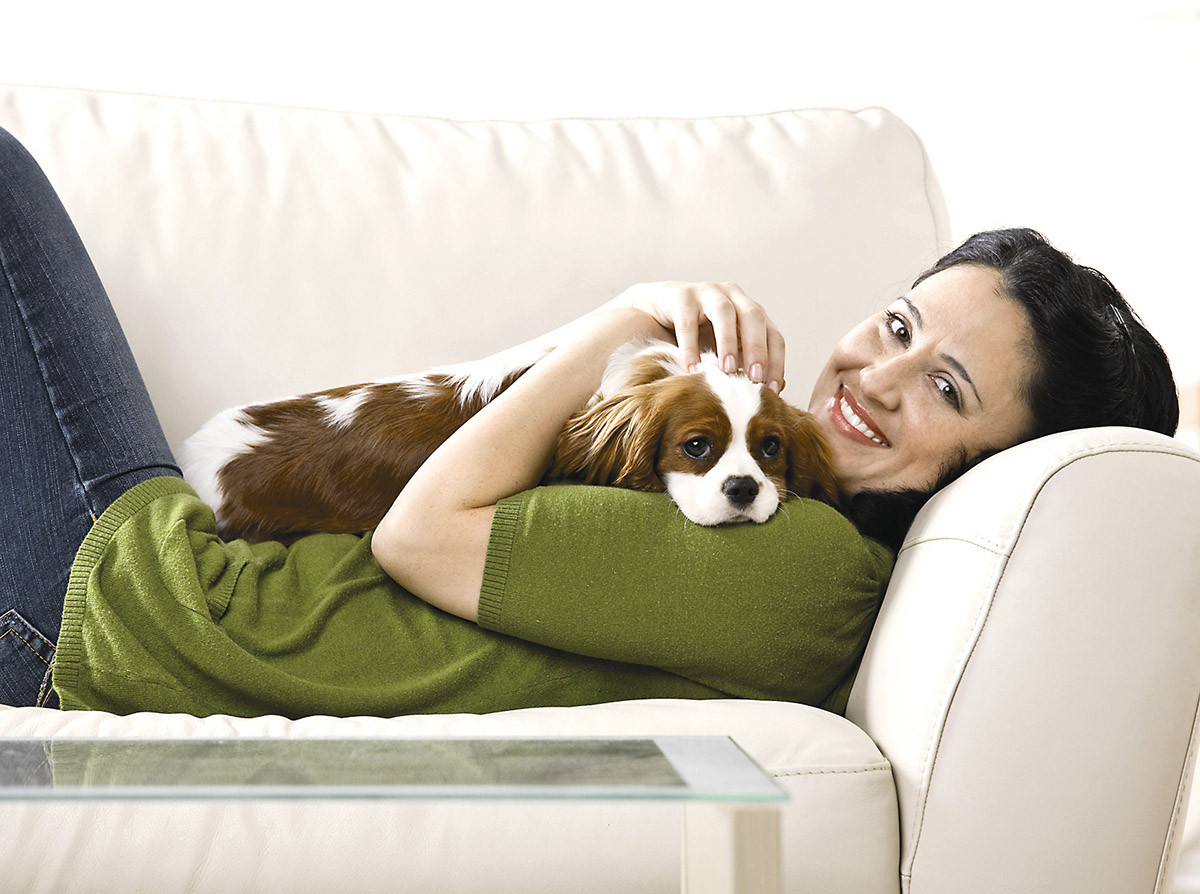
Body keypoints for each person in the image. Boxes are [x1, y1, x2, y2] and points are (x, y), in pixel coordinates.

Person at [0, 126, 1178, 718]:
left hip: (130, 613)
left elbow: (419, 536)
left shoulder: (801, 570)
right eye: (900, 324)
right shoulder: (793, 537)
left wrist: (627, 317)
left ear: (1001, 471)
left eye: (947, 389)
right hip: (148, 603)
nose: (877, 375)